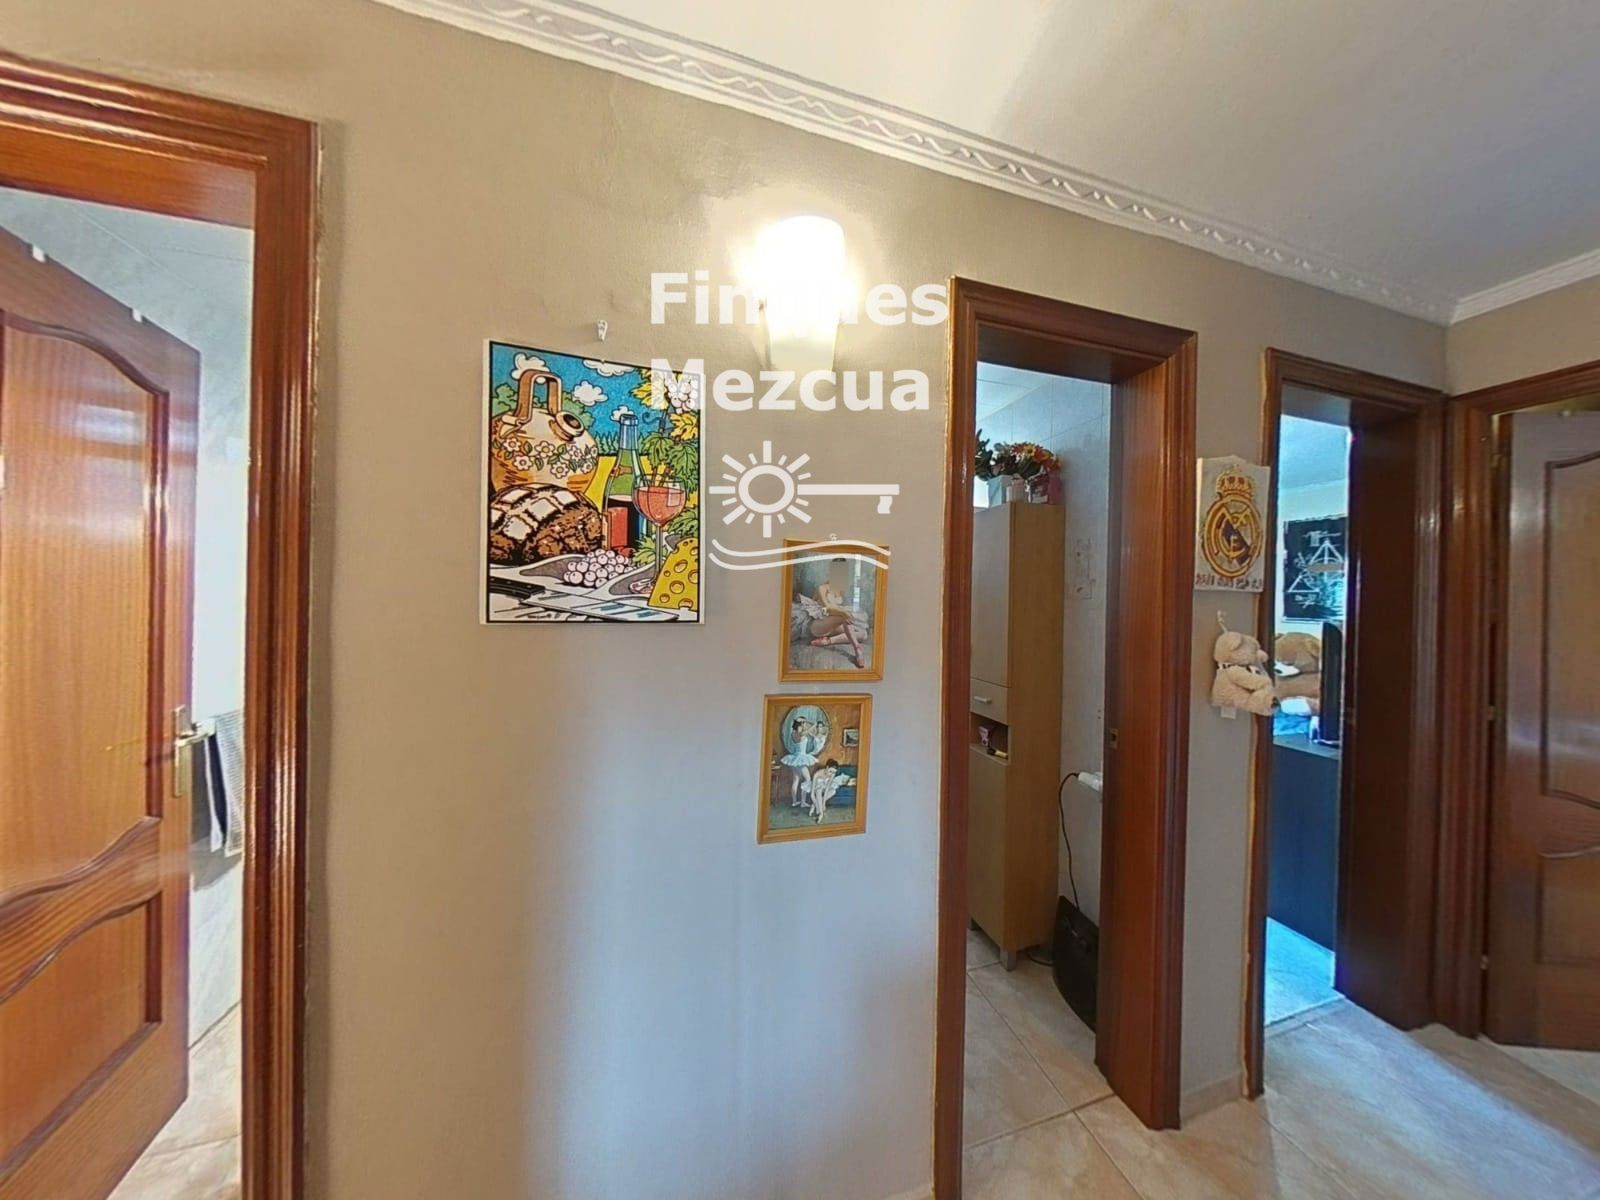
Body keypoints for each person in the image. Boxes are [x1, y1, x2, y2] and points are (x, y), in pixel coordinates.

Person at [789, 560, 867, 669]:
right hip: (817, 625)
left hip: (831, 626)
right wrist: (844, 612)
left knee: (863, 634)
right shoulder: (822, 588)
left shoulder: (840, 591)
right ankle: (858, 651)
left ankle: (828, 641)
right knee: (844, 617)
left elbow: (839, 611)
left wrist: (844, 612)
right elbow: (827, 608)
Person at [779, 715, 822, 809]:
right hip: (801, 758)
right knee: (808, 780)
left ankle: (794, 801)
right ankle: (803, 802)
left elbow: (807, 730)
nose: (805, 724)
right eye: (803, 723)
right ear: (801, 724)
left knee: (796, 780)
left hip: (795, 758)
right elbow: (811, 728)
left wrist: (804, 721)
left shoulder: (793, 733)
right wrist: (813, 724)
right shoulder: (801, 733)